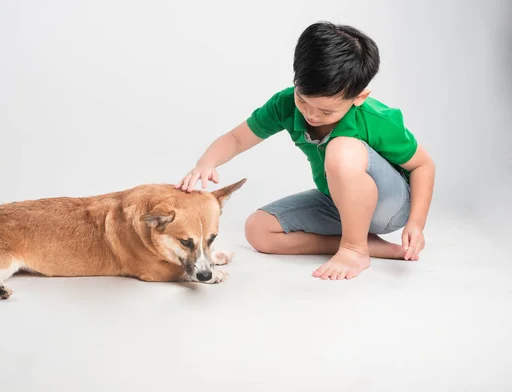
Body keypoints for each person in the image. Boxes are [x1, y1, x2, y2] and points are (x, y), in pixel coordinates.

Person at [175, 21, 435, 280]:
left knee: (342, 148)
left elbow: (423, 165)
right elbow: (236, 138)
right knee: (258, 230)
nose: (310, 114)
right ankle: (366, 244)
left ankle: (355, 249)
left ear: (359, 97)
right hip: (337, 201)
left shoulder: (375, 118)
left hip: (389, 207)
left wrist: (416, 223)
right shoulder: (285, 104)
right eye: (303, 100)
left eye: (326, 111)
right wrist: (206, 163)